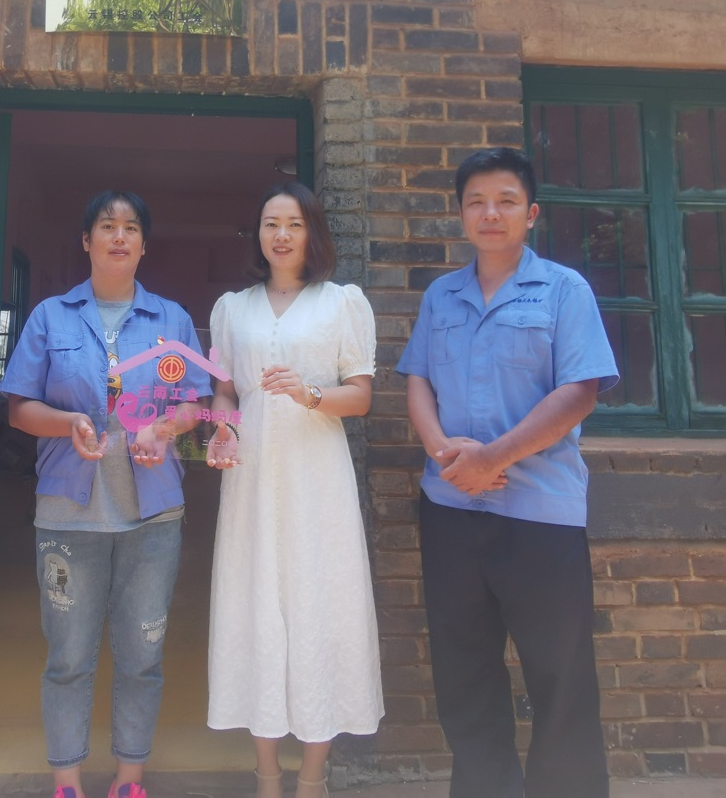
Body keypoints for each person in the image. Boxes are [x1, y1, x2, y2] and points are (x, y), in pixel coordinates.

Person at [396, 147, 620, 798]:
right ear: (461, 213)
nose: (490, 213)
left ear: (531, 214)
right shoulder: (441, 296)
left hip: (540, 514)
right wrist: (442, 451)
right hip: (451, 512)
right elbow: (417, 379)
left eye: (506, 201)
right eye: (476, 202)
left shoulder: (564, 290)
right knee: (464, 675)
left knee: (561, 677)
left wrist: (492, 459)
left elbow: (579, 391)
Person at [0, 191, 208, 798]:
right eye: (106, 226)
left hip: (153, 515)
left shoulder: (170, 320)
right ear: (86, 241)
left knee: (143, 653)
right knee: (68, 655)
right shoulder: (51, 316)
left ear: (144, 245)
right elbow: (19, 408)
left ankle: (129, 778)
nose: (119, 236)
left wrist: (164, 427)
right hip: (68, 514)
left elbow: (195, 403)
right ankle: (66, 779)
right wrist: (67, 422)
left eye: (131, 227)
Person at [205, 181, 383, 798]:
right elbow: (224, 391)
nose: (281, 235)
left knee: (318, 602)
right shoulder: (233, 309)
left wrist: (308, 393)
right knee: (253, 600)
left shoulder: (341, 303)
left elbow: (360, 396)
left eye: (294, 224)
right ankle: (266, 775)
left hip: (317, 478)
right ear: (257, 233)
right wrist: (224, 428)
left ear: (312, 233)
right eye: (270, 223)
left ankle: (312, 776)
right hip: (251, 476)